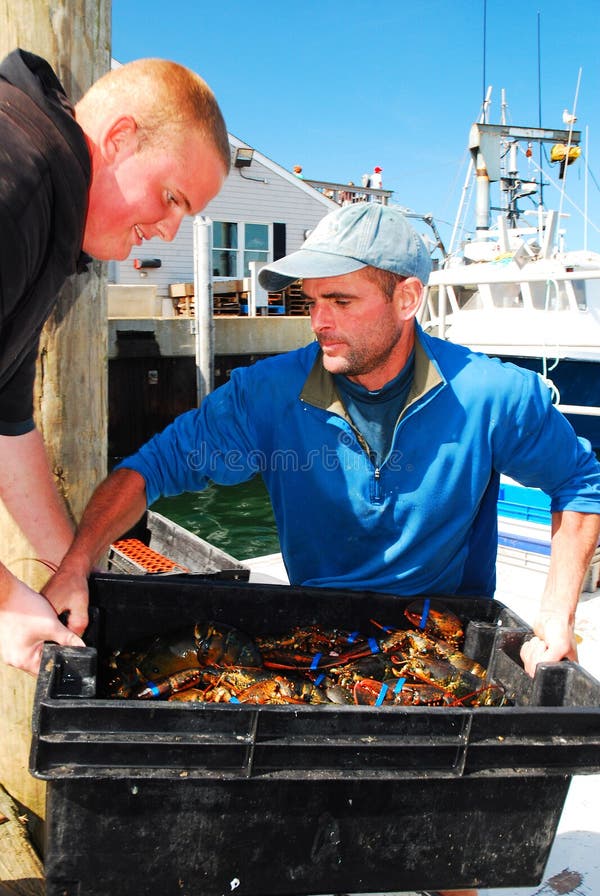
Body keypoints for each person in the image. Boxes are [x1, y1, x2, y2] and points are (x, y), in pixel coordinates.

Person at [48, 203, 600, 688]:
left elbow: (578, 480)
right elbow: (150, 469)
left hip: (448, 638)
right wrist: (77, 562)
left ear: (407, 299)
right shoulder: (264, 394)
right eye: (311, 300)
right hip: (315, 635)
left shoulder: (494, 395)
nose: (318, 321)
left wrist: (556, 620)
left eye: (339, 299)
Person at [0, 48, 230, 675]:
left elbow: (7, 425)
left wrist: (72, 570)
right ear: (120, 138)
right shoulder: (15, 185)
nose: (167, 233)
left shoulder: (48, 223)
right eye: (172, 197)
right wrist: (4, 605)